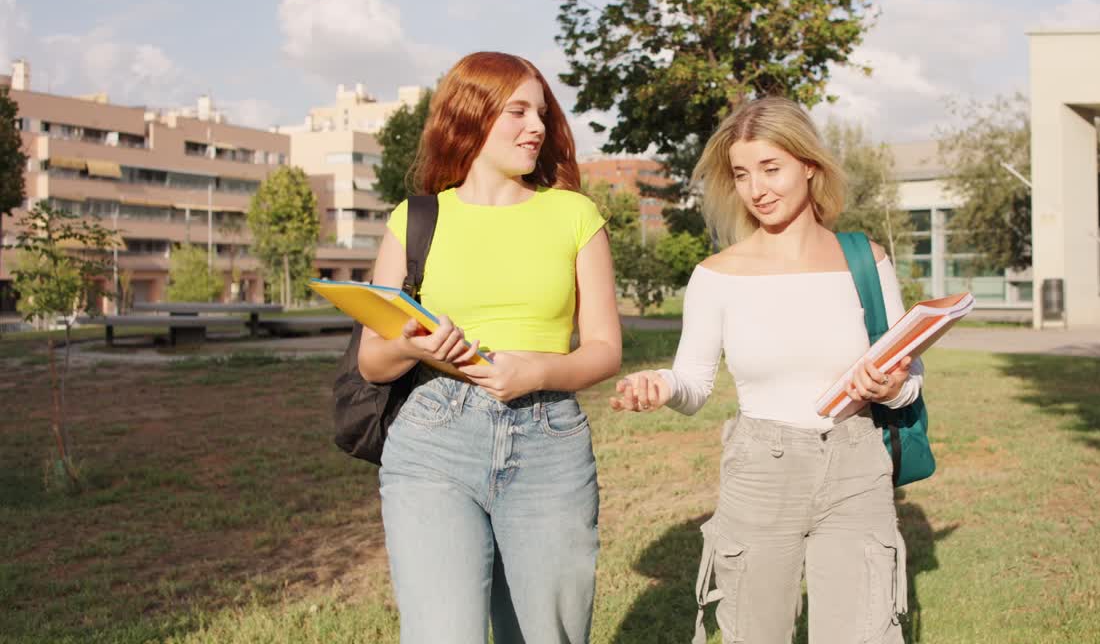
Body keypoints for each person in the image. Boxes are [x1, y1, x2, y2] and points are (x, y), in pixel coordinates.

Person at [610, 97, 923, 644]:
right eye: (742, 174)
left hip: (857, 466)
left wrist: (893, 386)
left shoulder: (865, 260)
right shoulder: (717, 275)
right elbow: (694, 384)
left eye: (771, 169)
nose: (757, 189)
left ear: (809, 165)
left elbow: (908, 371)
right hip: (761, 471)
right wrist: (660, 385)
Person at [358, 51, 621, 644]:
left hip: (549, 441)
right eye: (518, 111)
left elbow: (605, 348)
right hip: (433, 439)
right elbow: (372, 360)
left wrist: (538, 371)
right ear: (471, 116)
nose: (538, 127)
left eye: (543, 114)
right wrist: (418, 348)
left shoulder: (574, 215)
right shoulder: (415, 219)